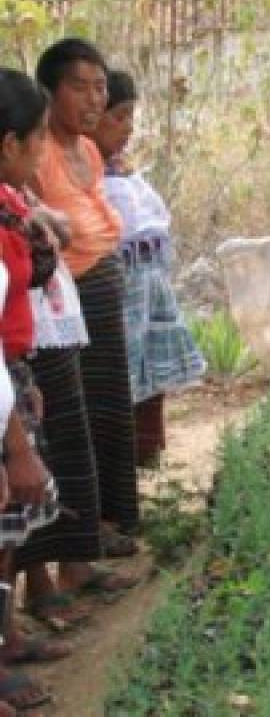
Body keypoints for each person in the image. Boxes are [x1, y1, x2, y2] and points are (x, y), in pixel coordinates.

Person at [21, 39, 140, 630]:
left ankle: (85, 548)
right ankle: (52, 571)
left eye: (101, 86)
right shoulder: (32, 157)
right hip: (53, 307)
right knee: (62, 431)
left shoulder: (88, 152)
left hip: (90, 291)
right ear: (51, 92)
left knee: (101, 422)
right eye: (81, 86)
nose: (95, 99)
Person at [90, 71, 205, 467]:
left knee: (147, 371)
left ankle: (145, 455)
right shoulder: (86, 175)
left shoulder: (121, 168)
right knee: (122, 373)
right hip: (118, 292)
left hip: (147, 288)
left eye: (130, 118)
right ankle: (122, 465)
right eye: (117, 118)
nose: (127, 129)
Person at [0, 70, 65, 713]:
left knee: (7, 530)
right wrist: (14, 441)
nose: (43, 153)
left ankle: (4, 637)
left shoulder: (9, 206)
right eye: (37, 139)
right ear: (9, 144)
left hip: (11, 381)